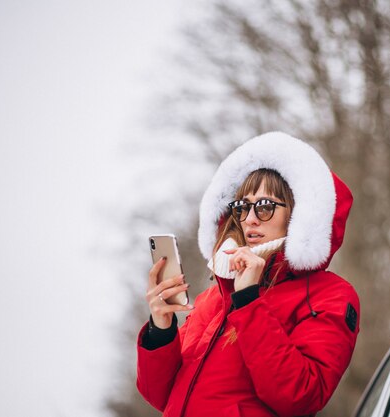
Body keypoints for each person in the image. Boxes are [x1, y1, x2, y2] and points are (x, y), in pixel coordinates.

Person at [136, 132, 360, 417]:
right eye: (242, 206)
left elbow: (300, 395)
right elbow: (160, 396)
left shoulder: (329, 295)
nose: (250, 218)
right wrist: (161, 329)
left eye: (266, 206)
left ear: (299, 214)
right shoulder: (213, 297)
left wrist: (249, 303)